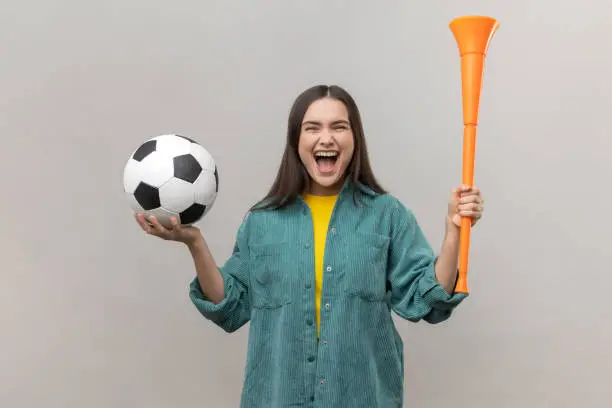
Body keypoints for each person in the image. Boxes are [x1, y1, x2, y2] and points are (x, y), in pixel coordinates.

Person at [134, 84, 485, 408]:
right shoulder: (262, 221)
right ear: (296, 140)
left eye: (339, 127)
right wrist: (194, 243)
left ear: (355, 139)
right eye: (312, 127)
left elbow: (429, 298)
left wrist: (453, 230)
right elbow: (231, 305)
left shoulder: (386, 215)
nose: (326, 138)